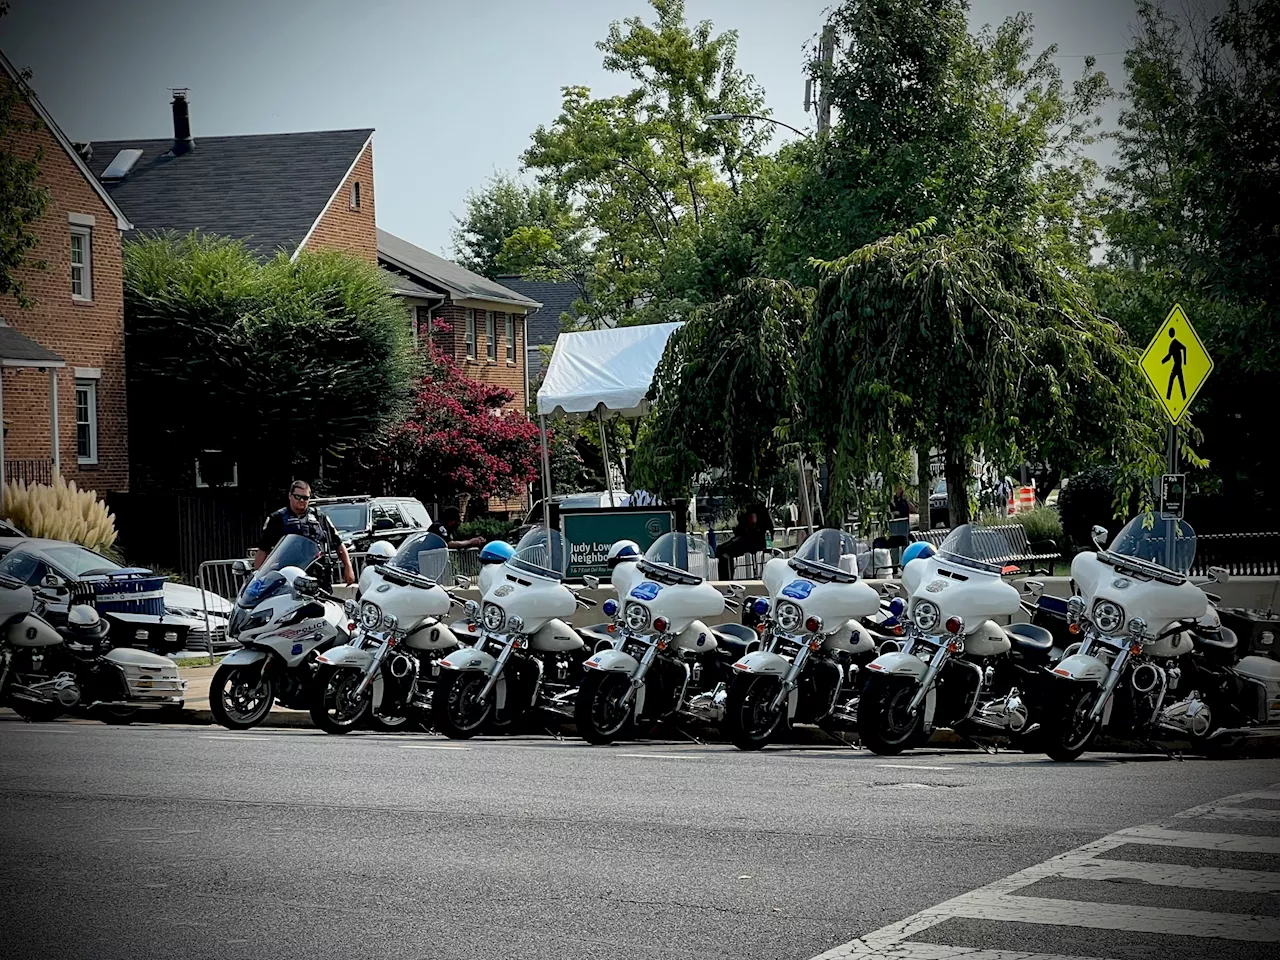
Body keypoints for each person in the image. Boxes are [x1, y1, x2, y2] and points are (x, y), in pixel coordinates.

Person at [255, 480, 354, 587]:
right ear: (290, 496)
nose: (302, 500)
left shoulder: (320, 517)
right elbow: (263, 549)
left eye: (305, 498)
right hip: (287, 575)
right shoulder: (277, 519)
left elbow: (338, 543)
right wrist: (257, 578)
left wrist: (348, 567)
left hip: (317, 575)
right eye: (298, 497)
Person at [716, 500, 774, 581]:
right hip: (750, 539)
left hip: (752, 540)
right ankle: (725, 577)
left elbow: (752, 525)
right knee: (721, 549)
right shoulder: (757, 510)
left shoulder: (755, 510)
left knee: (725, 551)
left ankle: (726, 579)